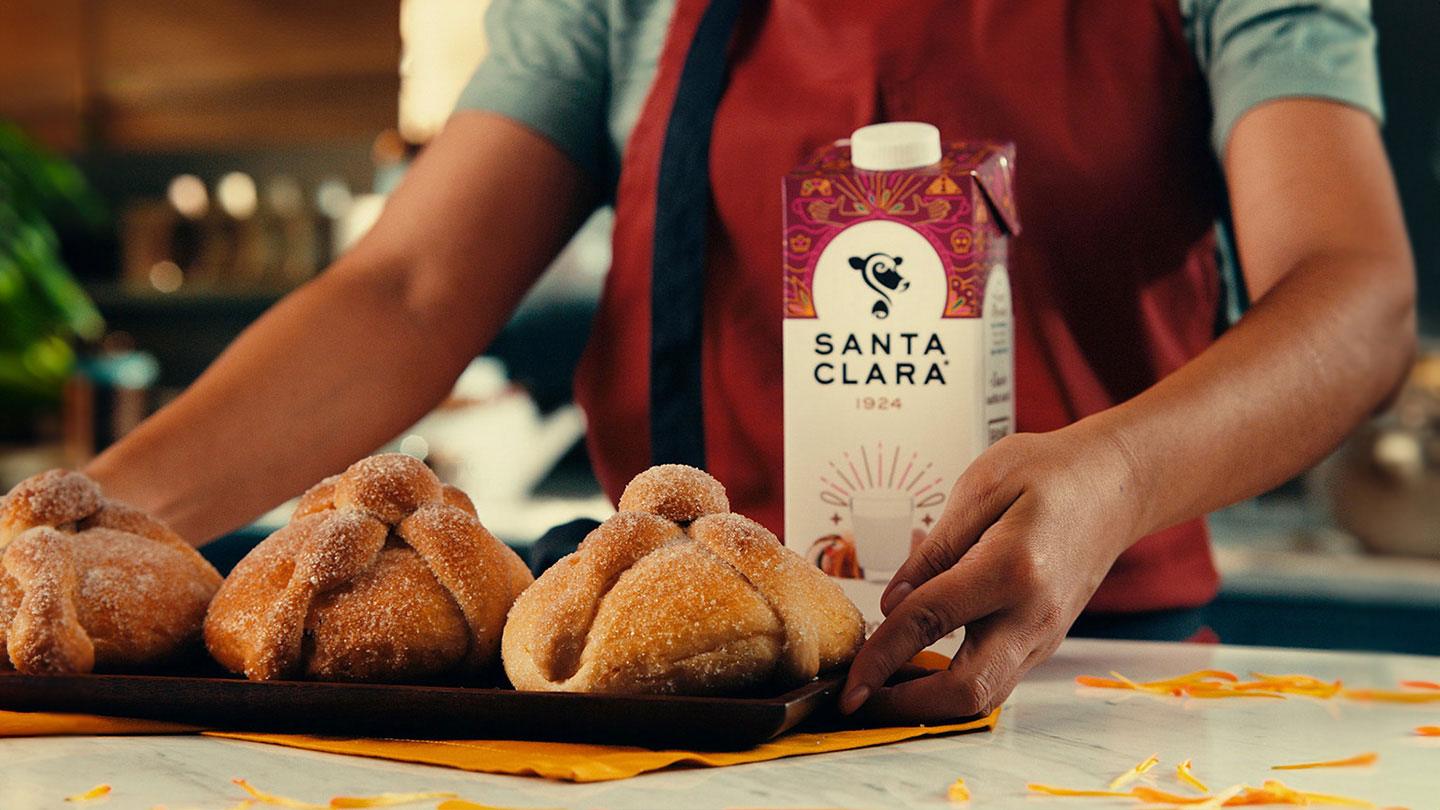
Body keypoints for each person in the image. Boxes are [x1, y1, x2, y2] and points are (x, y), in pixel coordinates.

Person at [83, 0, 1415, 723]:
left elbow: (1355, 294)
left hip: (1082, 687)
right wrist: (87, 538)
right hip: (657, 698)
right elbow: (412, 287)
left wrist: (1117, 470)